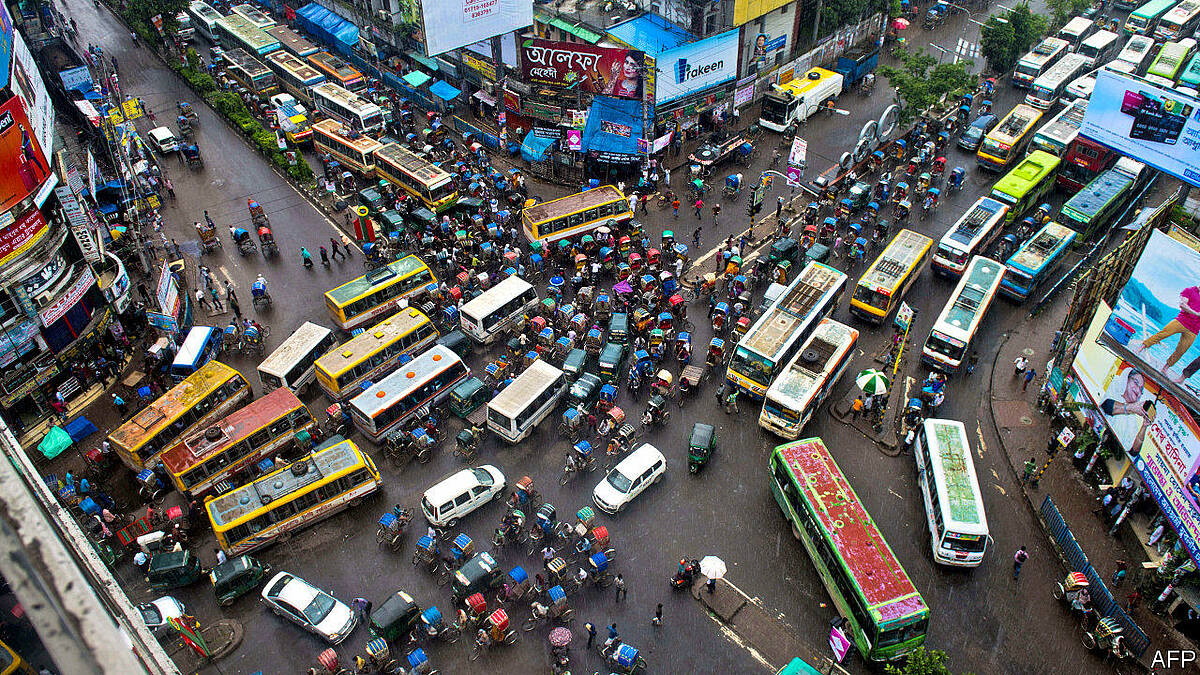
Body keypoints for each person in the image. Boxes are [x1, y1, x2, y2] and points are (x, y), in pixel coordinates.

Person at [1132, 285, 1200, 373]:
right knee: (1162, 334)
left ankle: (1165, 368)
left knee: (1181, 350)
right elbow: (1182, 305)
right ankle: (1139, 349)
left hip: (1194, 330)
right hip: (1181, 321)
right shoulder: (1189, 290)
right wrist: (1196, 313)